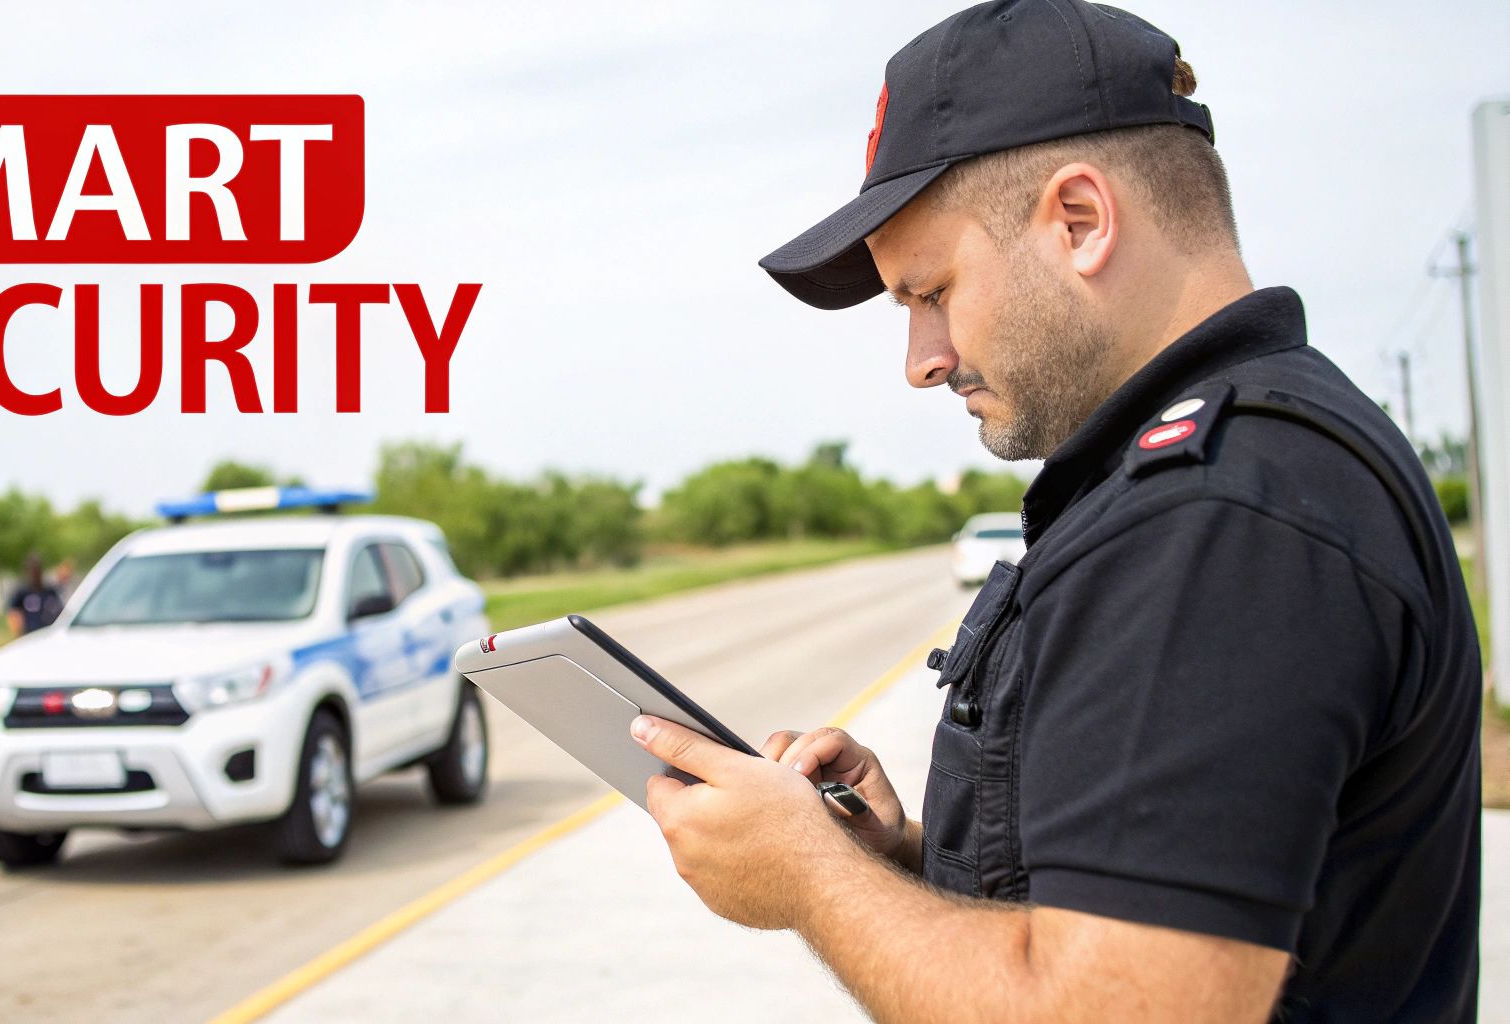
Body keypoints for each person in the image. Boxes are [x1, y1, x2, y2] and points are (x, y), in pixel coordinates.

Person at [631, 2, 1482, 1021]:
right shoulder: (1246, 462)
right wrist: (905, 855)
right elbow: (1136, 910)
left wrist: (808, 875)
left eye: (930, 291)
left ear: (1078, 221)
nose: (921, 360)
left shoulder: (1212, 519)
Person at [6, 552, 64, 637]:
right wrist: (19, 634)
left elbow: (60, 612)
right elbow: (13, 614)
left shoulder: (50, 592)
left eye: (37, 569)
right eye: (32, 570)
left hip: (49, 635)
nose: (35, 573)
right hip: (30, 635)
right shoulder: (22, 593)